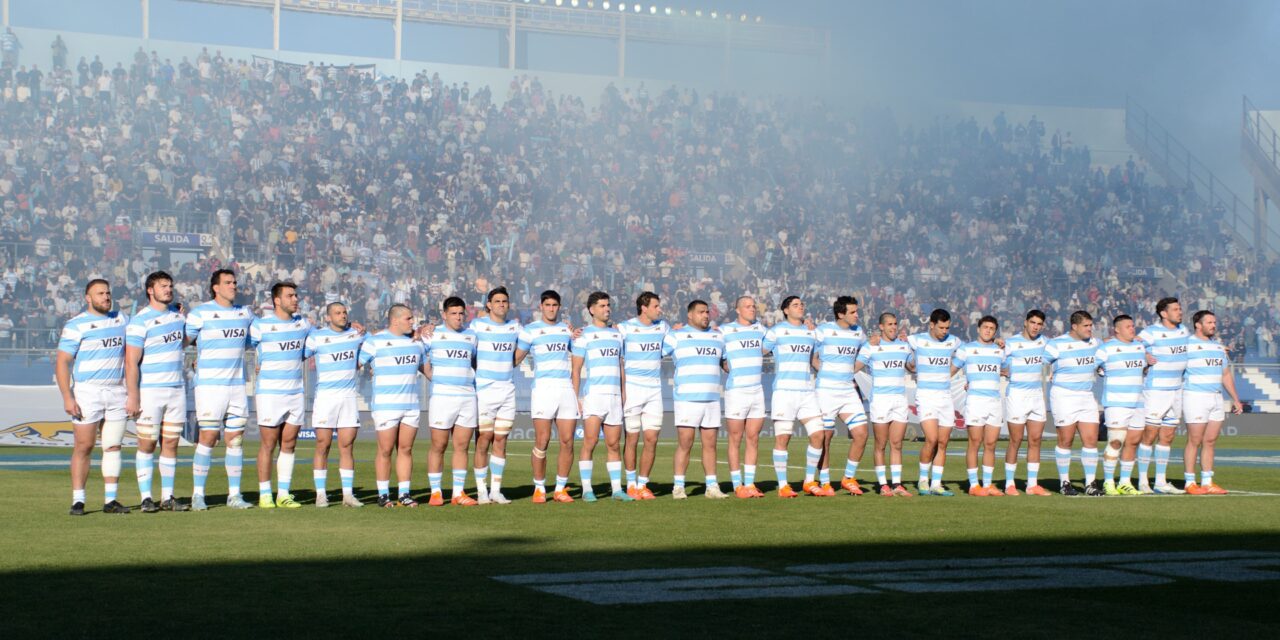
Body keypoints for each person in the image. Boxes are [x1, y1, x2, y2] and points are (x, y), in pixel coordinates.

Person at [185, 269, 255, 510]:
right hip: (210, 386)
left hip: (236, 386)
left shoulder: (245, 313)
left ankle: (234, 495)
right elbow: (183, 341)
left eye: (234, 282)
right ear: (215, 287)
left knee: (235, 441)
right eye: (228, 282)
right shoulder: (199, 314)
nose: (233, 286)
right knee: (208, 438)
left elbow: (252, 340)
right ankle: (198, 495)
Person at [57, 279, 129, 516]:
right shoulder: (76, 325)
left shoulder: (122, 319)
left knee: (113, 446)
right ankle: (78, 500)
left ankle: (111, 500)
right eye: (100, 294)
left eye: (108, 293)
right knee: (84, 446)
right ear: (88, 298)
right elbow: (63, 362)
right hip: (88, 391)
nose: (106, 297)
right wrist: (68, 397)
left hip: (117, 390)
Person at [124, 271, 188, 512]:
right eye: (163, 286)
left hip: (176, 390)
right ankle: (146, 498)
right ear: (150, 290)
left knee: (171, 443)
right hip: (150, 391)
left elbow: (182, 343)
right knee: (147, 444)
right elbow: (131, 362)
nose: (168, 289)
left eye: (170, 285)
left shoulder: (178, 316)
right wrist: (133, 396)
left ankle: (168, 496)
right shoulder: (140, 321)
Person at [248, 282, 311, 509]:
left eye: (296, 295)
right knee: (268, 444)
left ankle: (283, 493)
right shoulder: (261, 326)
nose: (295, 299)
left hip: (295, 392)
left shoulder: (303, 323)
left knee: (290, 443)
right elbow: (241, 346)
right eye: (290, 296)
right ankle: (265, 494)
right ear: (277, 300)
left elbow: (321, 341)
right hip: (270, 393)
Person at [360, 304, 426, 508]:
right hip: (386, 406)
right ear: (395, 320)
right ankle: (383, 495)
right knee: (385, 450)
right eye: (408, 318)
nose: (412, 322)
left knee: (406, 449)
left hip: (411, 405)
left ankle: (404, 494)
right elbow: (355, 364)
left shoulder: (417, 343)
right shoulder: (375, 342)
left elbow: (427, 370)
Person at [515, 290, 579, 503]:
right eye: (548, 305)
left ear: (559, 307)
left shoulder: (567, 330)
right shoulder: (530, 331)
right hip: (543, 389)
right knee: (542, 440)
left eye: (555, 305)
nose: (551, 308)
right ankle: (540, 488)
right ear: (540, 307)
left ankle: (560, 489)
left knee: (568, 441)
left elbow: (579, 347)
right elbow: (515, 359)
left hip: (565, 389)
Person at [663, 299, 728, 499]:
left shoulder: (718, 336)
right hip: (687, 399)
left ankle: (712, 486)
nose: (706, 315)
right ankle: (679, 487)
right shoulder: (675, 336)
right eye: (701, 312)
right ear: (690, 315)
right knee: (686, 443)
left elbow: (725, 364)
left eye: (707, 312)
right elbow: (652, 354)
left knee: (710, 444)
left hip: (711, 399)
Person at [571, 292, 631, 501]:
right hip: (594, 396)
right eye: (603, 306)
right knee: (590, 442)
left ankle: (616, 490)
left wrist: (623, 394)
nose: (607, 309)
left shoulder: (617, 335)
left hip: (614, 397)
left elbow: (621, 366)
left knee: (614, 444)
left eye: (608, 305)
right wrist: (576, 397)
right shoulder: (584, 335)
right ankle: (587, 489)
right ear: (592, 310)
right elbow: (576, 370)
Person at [763, 296, 825, 498]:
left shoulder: (811, 332)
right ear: (786, 310)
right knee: (783, 438)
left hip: (807, 392)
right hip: (784, 392)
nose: (801, 307)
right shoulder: (776, 331)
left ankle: (809, 482)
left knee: (818, 435)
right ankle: (783, 486)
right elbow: (759, 352)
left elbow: (814, 360)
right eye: (796, 305)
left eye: (802, 304)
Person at [304, 302, 365, 507]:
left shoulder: (356, 334)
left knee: (347, 445)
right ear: (328, 317)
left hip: (348, 397)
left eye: (344, 312)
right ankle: (321, 494)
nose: (343, 316)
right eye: (338, 313)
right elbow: (297, 354)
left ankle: (348, 495)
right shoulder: (317, 337)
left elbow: (379, 343)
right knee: (323, 444)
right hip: (325, 397)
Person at [423, 296, 480, 506]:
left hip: (467, 397)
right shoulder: (431, 334)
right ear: (444, 315)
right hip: (442, 398)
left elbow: (473, 361)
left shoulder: (471, 336)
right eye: (453, 313)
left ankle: (458, 493)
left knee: (462, 446)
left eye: (461, 313)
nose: (458, 317)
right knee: (439, 445)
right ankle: (436, 492)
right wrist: (433, 377)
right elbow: (421, 359)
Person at [1181, 310, 1244, 495]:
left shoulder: (1218, 347)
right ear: (1198, 325)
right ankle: (1190, 482)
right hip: (1195, 397)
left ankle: (1207, 482)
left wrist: (1236, 399)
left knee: (1210, 441)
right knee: (1195, 440)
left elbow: (1225, 375)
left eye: (1214, 322)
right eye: (1209, 322)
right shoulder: (1187, 345)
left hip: (1216, 397)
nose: (1213, 325)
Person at [813, 296, 868, 496]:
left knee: (861, 434)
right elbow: (812, 355)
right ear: (840, 314)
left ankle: (848, 478)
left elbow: (865, 353)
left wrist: (851, 371)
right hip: (826, 391)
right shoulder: (823, 330)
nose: (856, 315)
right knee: (826, 437)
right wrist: (823, 371)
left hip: (848, 391)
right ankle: (825, 481)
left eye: (856, 311)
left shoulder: (859, 333)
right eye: (852, 312)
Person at [1044, 310, 1103, 496]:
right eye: (1086, 326)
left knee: (1091, 440)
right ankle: (1065, 483)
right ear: (1074, 326)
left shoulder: (1095, 343)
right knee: (1066, 440)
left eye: (1090, 325)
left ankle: (1090, 484)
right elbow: (1039, 362)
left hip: (1086, 395)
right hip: (1064, 395)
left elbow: (1101, 363)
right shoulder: (1056, 344)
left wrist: (1101, 370)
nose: (1089, 329)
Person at [471, 287, 520, 504]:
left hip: (507, 390)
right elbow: (466, 349)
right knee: (484, 440)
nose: (501, 304)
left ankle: (496, 491)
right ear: (489, 304)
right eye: (497, 301)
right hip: (484, 390)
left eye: (505, 301)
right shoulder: (477, 325)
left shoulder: (515, 327)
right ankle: (481, 490)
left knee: (501, 440)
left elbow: (529, 344)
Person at [618, 291, 669, 500]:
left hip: (654, 391)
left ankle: (643, 484)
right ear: (644, 308)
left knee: (651, 439)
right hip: (632, 389)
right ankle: (630, 484)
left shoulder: (663, 327)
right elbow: (617, 356)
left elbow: (678, 340)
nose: (660, 310)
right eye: (656, 306)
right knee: (632, 438)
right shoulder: (624, 328)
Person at [856, 312, 913, 497]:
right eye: (889, 324)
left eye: (895, 324)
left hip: (899, 400)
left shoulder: (904, 346)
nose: (893, 327)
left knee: (897, 443)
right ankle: (883, 485)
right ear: (881, 326)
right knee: (881, 443)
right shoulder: (871, 346)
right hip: (880, 400)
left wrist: (913, 349)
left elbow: (912, 367)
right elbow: (853, 366)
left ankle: (897, 483)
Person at [1136, 297, 1189, 495]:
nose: (1180, 312)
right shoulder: (1151, 332)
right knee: (1149, 434)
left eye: (1180, 308)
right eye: (1175, 309)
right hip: (1156, 390)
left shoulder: (1183, 330)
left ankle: (1160, 481)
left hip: (1177, 389)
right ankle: (1142, 480)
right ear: (1163, 313)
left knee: (1167, 436)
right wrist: (1144, 356)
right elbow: (1132, 344)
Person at [907, 309, 962, 496]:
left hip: (946, 397)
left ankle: (936, 484)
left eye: (947, 327)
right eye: (941, 327)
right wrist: (909, 365)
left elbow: (970, 353)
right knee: (931, 439)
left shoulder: (953, 341)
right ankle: (923, 481)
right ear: (931, 324)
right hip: (926, 396)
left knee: (943, 442)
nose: (944, 331)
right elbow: (899, 350)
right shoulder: (916, 340)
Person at [954, 315, 1006, 496]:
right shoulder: (966, 349)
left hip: (994, 402)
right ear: (978, 329)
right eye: (985, 327)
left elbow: (1007, 369)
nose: (988, 331)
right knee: (974, 443)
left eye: (992, 328)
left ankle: (988, 484)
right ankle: (974, 485)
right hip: (975, 402)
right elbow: (951, 370)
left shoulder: (1000, 350)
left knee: (991, 444)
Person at [1096, 314, 1147, 496]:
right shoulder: (1106, 348)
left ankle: (1125, 482)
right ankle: (1108, 482)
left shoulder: (1140, 346)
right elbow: (1092, 366)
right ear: (1117, 329)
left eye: (1133, 326)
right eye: (1128, 326)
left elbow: (1144, 367)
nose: (1132, 329)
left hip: (1138, 402)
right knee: (1116, 441)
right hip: (1116, 402)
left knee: (1133, 442)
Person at [1002, 310, 1051, 496]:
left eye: (1039, 323)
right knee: (1016, 440)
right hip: (1017, 395)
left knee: (1035, 440)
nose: (1035, 326)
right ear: (1025, 322)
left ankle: (1032, 485)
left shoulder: (1045, 342)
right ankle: (1009, 484)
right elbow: (997, 361)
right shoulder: (1011, 343)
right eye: (1032, 322)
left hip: (1037, 395)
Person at [722, 295, 767, 498]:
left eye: (754, 306)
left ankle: (749, 484)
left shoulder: (761, 330)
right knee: (735, 438)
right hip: (737, 391)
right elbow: (718, 355)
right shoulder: (725, 331)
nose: (752, 309)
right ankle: (736, 484)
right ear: (738, 310)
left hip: (757, 390)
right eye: (748, 307)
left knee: (753, 438)